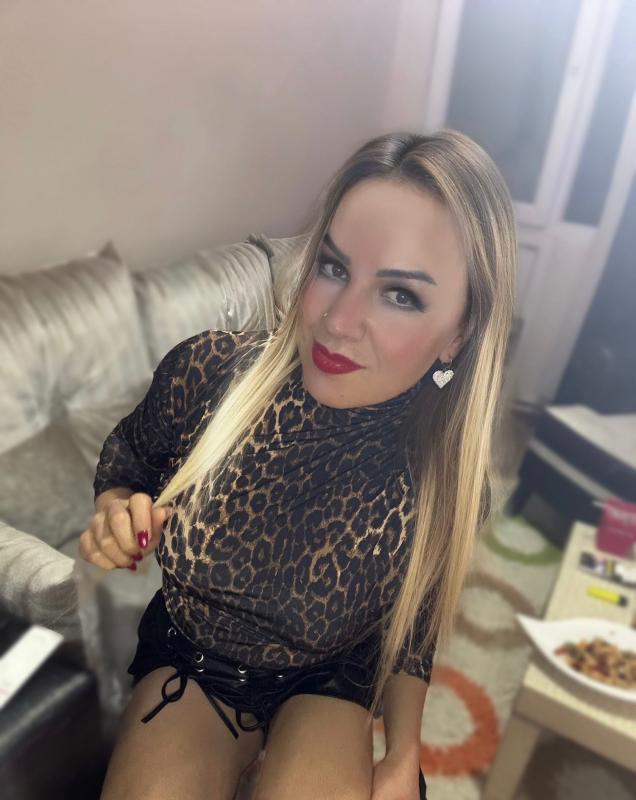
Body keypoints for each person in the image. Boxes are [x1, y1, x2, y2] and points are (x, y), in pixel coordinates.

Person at [80, 129, 516, 800]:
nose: (338, 322)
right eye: (334, 268)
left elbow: (413, 628)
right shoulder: (209, 372)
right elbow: (127, 463)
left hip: (332, 676)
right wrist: (115, 515)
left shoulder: (443, 475)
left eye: (400, 295)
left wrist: (403, 754)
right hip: (196, 657)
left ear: (458, 333)